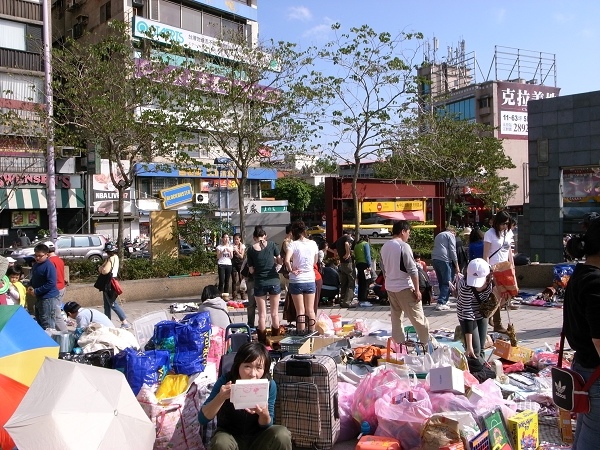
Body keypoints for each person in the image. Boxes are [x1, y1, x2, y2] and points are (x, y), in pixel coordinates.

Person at [198, 342, 292, 450]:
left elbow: (267, 425)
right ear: (238, 365)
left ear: (264, 369)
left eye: (258, 368)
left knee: (281, 434)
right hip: (230, 436)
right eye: (247, 366)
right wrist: (220, 397)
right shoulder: (225, 381)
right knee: (221, 442)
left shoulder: (269, 385)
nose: (252, 373)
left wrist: (263, 414)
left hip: (258, 438)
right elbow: (202, 419)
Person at [563, 219, 600, 448]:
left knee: (586, 434)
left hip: (583, 369)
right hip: (595, 375)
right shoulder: (596, 282)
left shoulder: (581, 274)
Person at [380, 220, 431, 344]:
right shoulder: (403, 246)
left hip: (390, 287)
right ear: (403, 231)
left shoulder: (384, 246)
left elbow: (383, 268)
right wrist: (417, 290)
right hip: (404, 286)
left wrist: (389, 283)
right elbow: (412, 269)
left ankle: (399, 344)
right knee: (418, 319)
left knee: (396, 318)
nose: (409, 235)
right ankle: (427, 344)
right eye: (408, 232)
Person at [246, 226, 282, 344]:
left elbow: (251, 270)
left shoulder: (251, 250)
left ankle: (262, 341)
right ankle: (276, 341)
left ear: (254, 237)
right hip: (274, 281)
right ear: (264, 236)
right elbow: (280, 260)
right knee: (274, 313)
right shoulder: (272, 245)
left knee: (262, 314)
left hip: (259, 282)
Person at [483, 211, 515, 334]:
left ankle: (492, 314)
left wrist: (512, 265)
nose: (505, 226)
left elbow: (509, 251)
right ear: (497, 223)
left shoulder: (508, 233)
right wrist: (488, 270)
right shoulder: (489, 234)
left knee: (509, 294)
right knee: (497, 295)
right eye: (503, 224)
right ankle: (498, 323)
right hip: (494, 267)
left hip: (505, 267)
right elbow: (485, 254)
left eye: (507, 224)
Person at [284, 220, 319, 332]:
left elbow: (286, 260)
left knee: (300, 311)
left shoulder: (293, 244)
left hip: (297, 280)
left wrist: (291, 270)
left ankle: (301, 335)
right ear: (304, 231)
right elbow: (315, 260)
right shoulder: (313, 243)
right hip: (310, 279)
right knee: (310, 310)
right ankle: (312, 334)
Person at [457, 258, 493, 360]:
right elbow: (467, 314)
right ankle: (475, 369)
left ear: (487, 276)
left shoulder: (492, 281)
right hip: (466, 312)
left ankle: (480, 368)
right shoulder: (464, 285)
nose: (476, 285)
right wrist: (469, 346)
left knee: (481, 347)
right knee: (474, 349)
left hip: (482, 312)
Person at [98, 243, 131, 329]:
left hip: (108, 283)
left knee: (113, 304)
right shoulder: (116, 257)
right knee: (107, 305)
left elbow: (105, 270)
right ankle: (107, 322)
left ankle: (124, 322)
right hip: (113, 281)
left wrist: (100, 268)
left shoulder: (110, 259)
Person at [27, 243, 59, 330]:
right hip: (39, 297)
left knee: (47, 322)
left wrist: (36, 291)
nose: (37, 258)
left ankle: (50, 342)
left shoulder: (49, 266)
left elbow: (51, 283)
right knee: (39, 320)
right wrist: (30, 286)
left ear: (47, 255)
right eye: (35, 255)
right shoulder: (36, 265)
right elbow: (33, 278)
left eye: (40, 256)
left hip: (48, 298)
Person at [431, 226, 460, 311]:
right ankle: (441, 302)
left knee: (441, 281)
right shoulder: (450, 235)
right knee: (447, 281)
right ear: (453, 232)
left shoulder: (439, 235)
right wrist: (457, 265)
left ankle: (445, 299)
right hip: (445, 259)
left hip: (435, 259)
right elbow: (452, 250)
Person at [45, 242, 68, 332]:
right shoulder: (59, 259)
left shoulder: (50, 261)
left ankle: (65, 334)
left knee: (56, 314)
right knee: (56, 312)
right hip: (61, 287)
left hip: (55, 289)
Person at [334, 230, 356, 308]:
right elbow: (347, 243)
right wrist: (348, 253)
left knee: (344, 282)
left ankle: (342, 300)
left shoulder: (339, 240)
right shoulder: (347, 237)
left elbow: (330, 247)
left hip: (342, 263)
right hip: (348, 263)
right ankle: (347, 302)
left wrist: (338, 254)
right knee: (351, 282)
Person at [353, 236, 372, 304]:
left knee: (360, 281)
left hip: (358, 264)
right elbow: (367, 255)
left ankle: (360, 297)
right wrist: (369, 265)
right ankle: (364, 297)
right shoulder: (365, 244)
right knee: (366, 281)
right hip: (365, 265)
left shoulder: (356, 245)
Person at [231, 233, 246, 300]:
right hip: (233, 263)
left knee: (241, 279)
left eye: (237, 239)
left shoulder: (242, 246)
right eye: (235, 239)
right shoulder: (231, 246)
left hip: (240, 263)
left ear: (240, 239)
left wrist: (236, 251)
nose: (236, 240)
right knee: (234, 279)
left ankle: (243, 294)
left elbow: (241, 256)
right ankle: (234, 295)